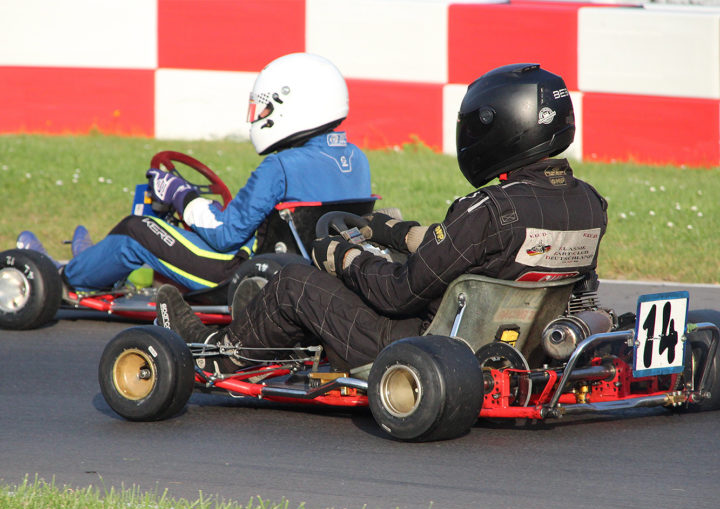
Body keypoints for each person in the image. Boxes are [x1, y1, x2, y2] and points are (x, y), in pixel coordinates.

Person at [156, 63, 608, 375]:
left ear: (506, 127)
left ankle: (217, 357)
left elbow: (398, 293)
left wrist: (344, 257)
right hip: (513, 344)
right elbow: (470, 255)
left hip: (419, 343)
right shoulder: (589, 203)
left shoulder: (491, 208)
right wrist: (389, 231)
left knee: (296, 282)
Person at [17, 53, 371, 291]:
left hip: (238, 274)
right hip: (307, 271)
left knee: (136, 230)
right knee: (173, 228)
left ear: (291, 107)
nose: (259, 117)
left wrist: (181, 195)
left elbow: (225, 237)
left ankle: (60, 277)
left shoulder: (279, 166)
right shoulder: (356, 159)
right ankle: (91, 263)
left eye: (264, 109)